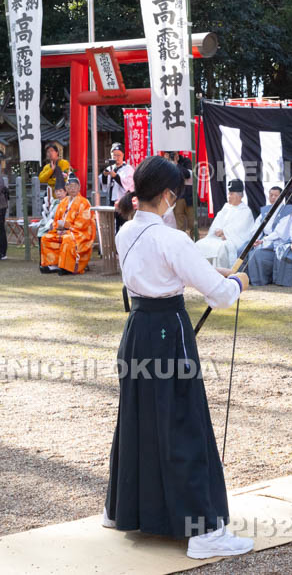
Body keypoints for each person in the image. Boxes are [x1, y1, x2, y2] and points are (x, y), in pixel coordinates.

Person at [104, 156, 253, 560]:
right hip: (169, 332)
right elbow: (218, 296)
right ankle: (203, 530)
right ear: (168, 195)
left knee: (140, 417)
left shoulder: (126, 232)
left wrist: (217, 275)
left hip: (138, 330)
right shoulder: (171, 239)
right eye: (177, 195)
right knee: (183, 423)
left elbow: (175, 274)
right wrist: (237, 280)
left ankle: (124, 509)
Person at [39, 176, 96, 275]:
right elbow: (56, 219)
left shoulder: (84, 202)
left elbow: (83, 223)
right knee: (46, 238)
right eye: (69, 187)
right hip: (62, 230)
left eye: (75, 186)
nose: (72, 189)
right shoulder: (64, 201)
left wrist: (68, 230)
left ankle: (68, 266)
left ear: (79, 187)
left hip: (80, 233)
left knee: (67, 239)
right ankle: (53, 264)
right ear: (66, 188)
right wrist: (57, 227)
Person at [194, 179, 256, 268]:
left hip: (233, 240)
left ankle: (221, 273)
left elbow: (241, 229)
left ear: (240, 196)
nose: (229, 196)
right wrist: (218, 231)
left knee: (221, 248)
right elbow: (217, 222)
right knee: (200, 244)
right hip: (218, 237)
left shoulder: (246, 211)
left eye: (231, 194)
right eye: (229, 194)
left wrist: (225, 233)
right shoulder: (226, 207)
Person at [246, 187, 292, 286]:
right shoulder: (265, 210)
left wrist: (263, 240)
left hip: (276, 241)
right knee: (243, 248)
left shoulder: (286, 211)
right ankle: (244, 278)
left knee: (257, 252)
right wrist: (255, 238)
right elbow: (256, 226)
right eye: (271, 195)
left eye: (276, 195)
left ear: (281, 197)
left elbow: (280, 233)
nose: (273, 197)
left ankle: (259, 281)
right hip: (261, 239)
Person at [100, 143, 136, 230]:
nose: (116, 157)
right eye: (114, 155)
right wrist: (104, 175)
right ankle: (113, 242)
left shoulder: (128, 168)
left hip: (123, 200)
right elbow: (104, 184)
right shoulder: (110, 168)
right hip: (112, 200)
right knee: (112, 224)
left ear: (123, 155)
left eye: (118, 155)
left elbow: (127, 185)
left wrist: (115, 176)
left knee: (123, 224)